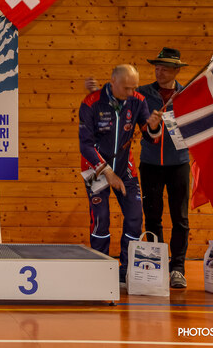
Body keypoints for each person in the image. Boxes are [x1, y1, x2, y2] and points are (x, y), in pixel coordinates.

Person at [79, 64, 162, 286]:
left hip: (125, 168)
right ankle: (100, 271)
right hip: (95, 169)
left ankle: (126, 271)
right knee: (101, 219)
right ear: (113, 81)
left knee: (135, 218)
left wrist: (154, 127)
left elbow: (149, 136)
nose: (131, 92)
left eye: (134, 87)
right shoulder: (91, 103)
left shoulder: (138, 100)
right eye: (126, 88)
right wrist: (107, 172)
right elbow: (85, 146)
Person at [138, 48, 190, 288]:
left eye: (165, 68)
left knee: (180, 218)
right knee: (152, 217)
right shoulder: (142, 94)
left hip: (179, 164)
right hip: (150, 164)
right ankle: (156, 265)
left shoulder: (187, 94)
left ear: (176, 70)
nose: (159, 72)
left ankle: (178, 268)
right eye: (157, 67)